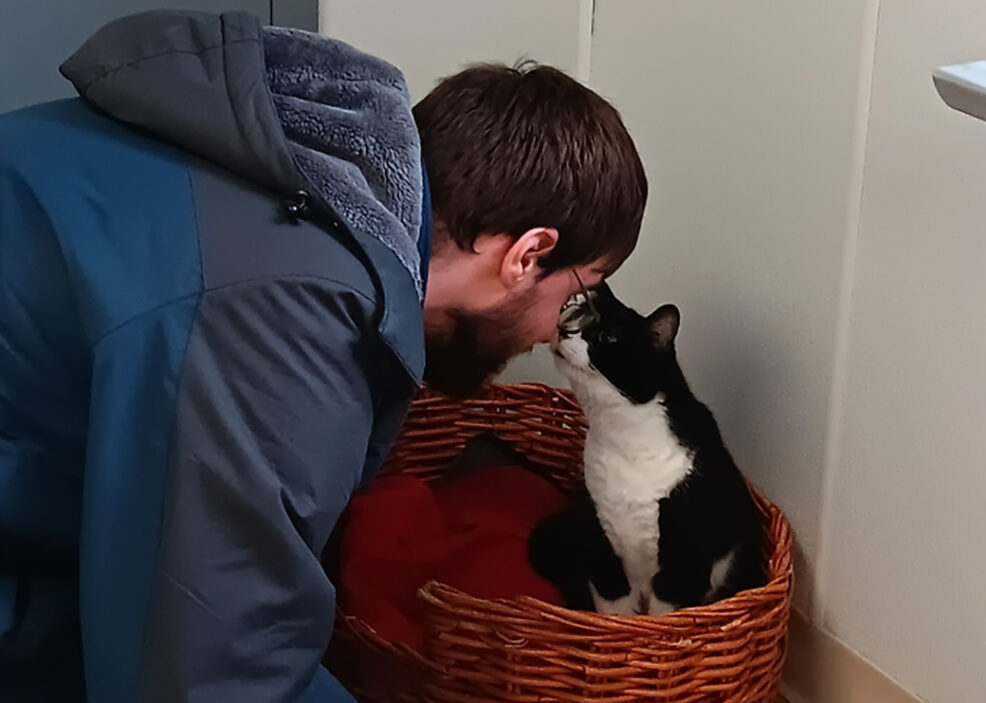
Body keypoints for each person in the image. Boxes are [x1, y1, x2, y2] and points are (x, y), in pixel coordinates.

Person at [0, 10, 646, 703]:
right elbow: (209, 669)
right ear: (528, 254)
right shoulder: (294, 311)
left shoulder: (314, 183)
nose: (553, 332)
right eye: (577, 292)